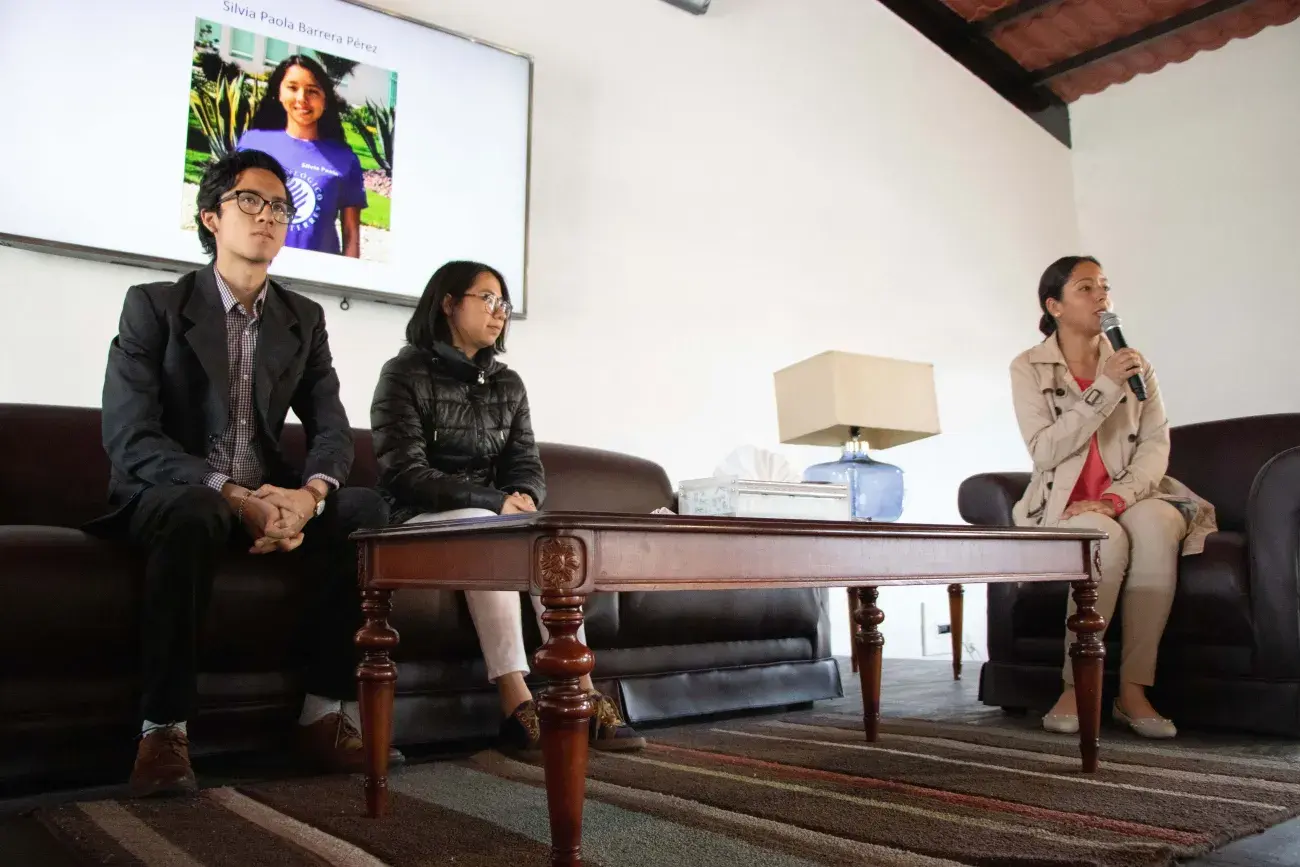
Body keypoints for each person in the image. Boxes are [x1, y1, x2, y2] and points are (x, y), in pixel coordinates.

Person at [93, 149, 389, 796]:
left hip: (268, 493)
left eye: (280, 206)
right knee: (196, 508)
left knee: (366, 509)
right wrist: (230, 494)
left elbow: (331, 428)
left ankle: (323, 714)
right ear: (211, 217)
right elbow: (130, 435)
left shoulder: (302, 318)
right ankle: (163, 729)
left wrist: (308, 498)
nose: (267, 216)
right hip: (175, 495)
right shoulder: (153, 306)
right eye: (250, 201)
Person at [369, 260, 645, 757]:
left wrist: (523, 499)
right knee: (489, 529)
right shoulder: (403, 373)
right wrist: (493, 502)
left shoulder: (508, 384)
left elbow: (526, 464)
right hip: (415, 516)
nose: (499, 312)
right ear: (449, 303)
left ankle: (581, 689)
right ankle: (516, 701)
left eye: (505, 303)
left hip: (489, 515)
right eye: (487, 299)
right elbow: (405, 473)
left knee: (548, 533)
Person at [1009, 256, 1216, 739]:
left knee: (1157, 524)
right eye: (1086, 287)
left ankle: (1134, 690)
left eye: (1104, 286)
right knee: (1105, 537)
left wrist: (1116, 498)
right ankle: (1076, 685)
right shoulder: (1028, 367)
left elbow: (1154, 446)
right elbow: (1045, 450)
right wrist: (1105, 387)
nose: (1101, 295)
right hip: (1064, 505)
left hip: (1131, 496)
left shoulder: (1136, 364)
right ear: (1055, 306)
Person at [237, 54, 367, 258]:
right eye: (292, 87)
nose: (302, 99)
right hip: (257, 265)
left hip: (316, 272)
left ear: (325, 99)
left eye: (312, 91)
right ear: (279, 92)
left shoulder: (345, 159)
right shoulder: (252, 143)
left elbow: (351, 235)